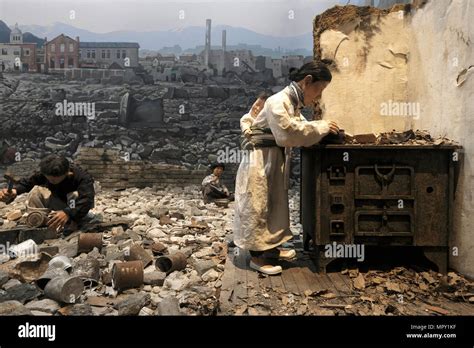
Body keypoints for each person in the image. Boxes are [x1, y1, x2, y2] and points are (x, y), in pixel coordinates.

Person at [233, 61, 340, 275]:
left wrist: (321, 129)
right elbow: (288, 132)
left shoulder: (292, 103)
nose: (318, 96)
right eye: (318, 89)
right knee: (258, 203)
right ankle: (256, 257)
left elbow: (302, 127)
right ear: (307, 81)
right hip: (260, 160)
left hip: (273, 159)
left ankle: (271, 248)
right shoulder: (277, 102)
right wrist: (322, 126)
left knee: (274, 203)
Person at [0, 154, 95, 234]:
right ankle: (39, 220)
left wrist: (68, 212)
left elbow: (87, 199)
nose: (51, 181)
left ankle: (72, 223)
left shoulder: (82, 176)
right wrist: (14, 191)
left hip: (75, 208)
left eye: (54, 179)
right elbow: (28, 183)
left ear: (67, 173)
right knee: (35, 191)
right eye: (49, 178)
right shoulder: (45, 171)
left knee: (75, 195)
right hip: (57, 201)